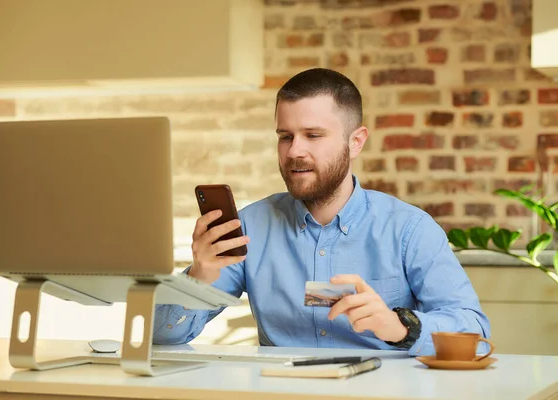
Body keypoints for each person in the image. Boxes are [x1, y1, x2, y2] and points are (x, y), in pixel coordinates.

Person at [152, 68, 491, 356]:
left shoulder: (409, 229)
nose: (295, 151)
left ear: (355, 142)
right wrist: (200, 276)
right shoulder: (249, 227)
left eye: (313, 135)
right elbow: (162, 337)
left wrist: (400, 326)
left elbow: (475, 334)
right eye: (285, 136)